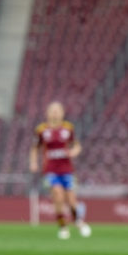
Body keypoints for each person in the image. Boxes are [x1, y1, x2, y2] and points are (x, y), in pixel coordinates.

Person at [30, 101, 91, 239]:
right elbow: (35, 148)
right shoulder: (41, 130)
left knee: (71, 200)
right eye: (52, 110)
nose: (55, 113)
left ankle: (77, 221)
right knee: (58, 195)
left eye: (58, 110)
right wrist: (33, 162)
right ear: (47, 113)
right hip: (50, 169)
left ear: (62, 113)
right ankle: (63, 227)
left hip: (67, 169)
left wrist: (74, 151)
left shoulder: (68, 128)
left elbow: (77, 145)